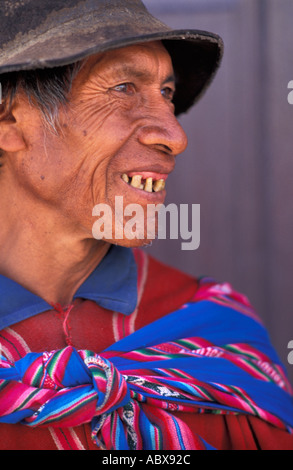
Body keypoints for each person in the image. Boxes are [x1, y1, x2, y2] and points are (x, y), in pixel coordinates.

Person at [0, 0, 292, 451]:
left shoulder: (211, 337)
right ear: (9, 119)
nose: (175, 136)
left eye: (167, 94)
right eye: (123, 87)